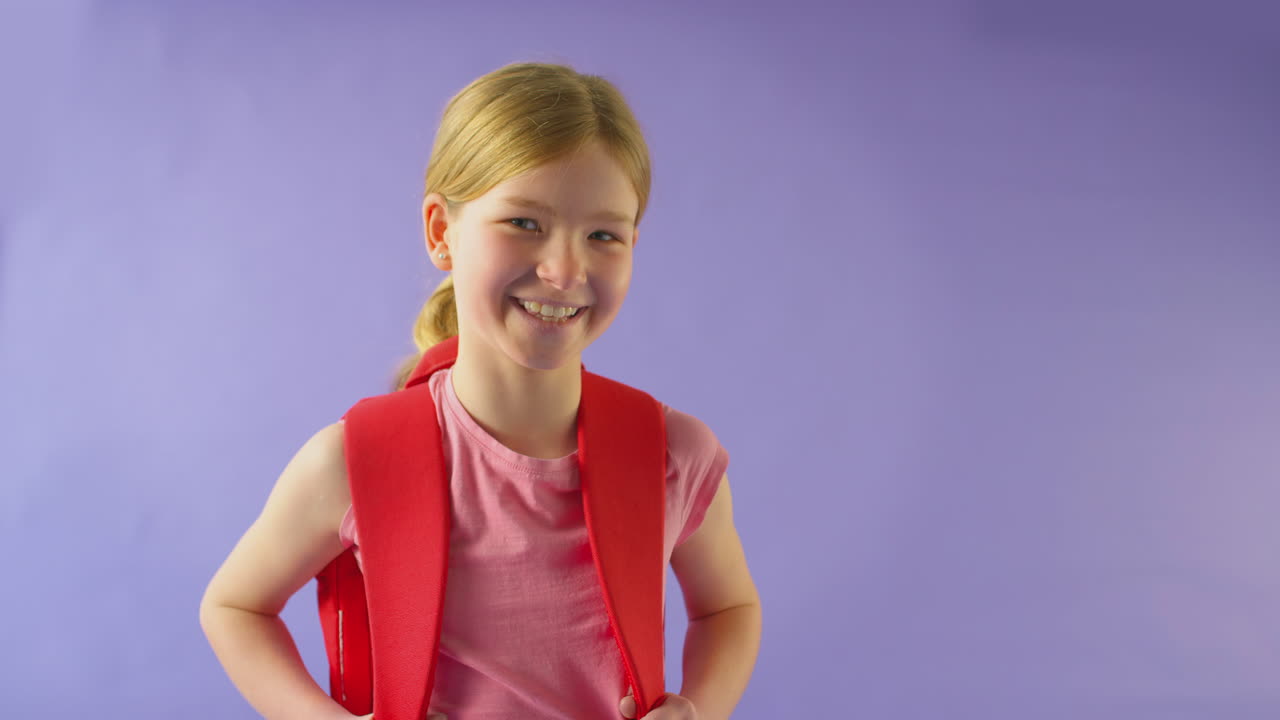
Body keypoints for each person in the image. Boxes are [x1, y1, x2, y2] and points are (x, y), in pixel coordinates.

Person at [199, 61, 761, 720]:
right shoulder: (351, 464)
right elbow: (234, 607)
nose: (562, 270)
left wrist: (697, 709)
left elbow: (729, 608)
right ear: (442, 231)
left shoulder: (671, 456)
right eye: (525, 223)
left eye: (603, 235)